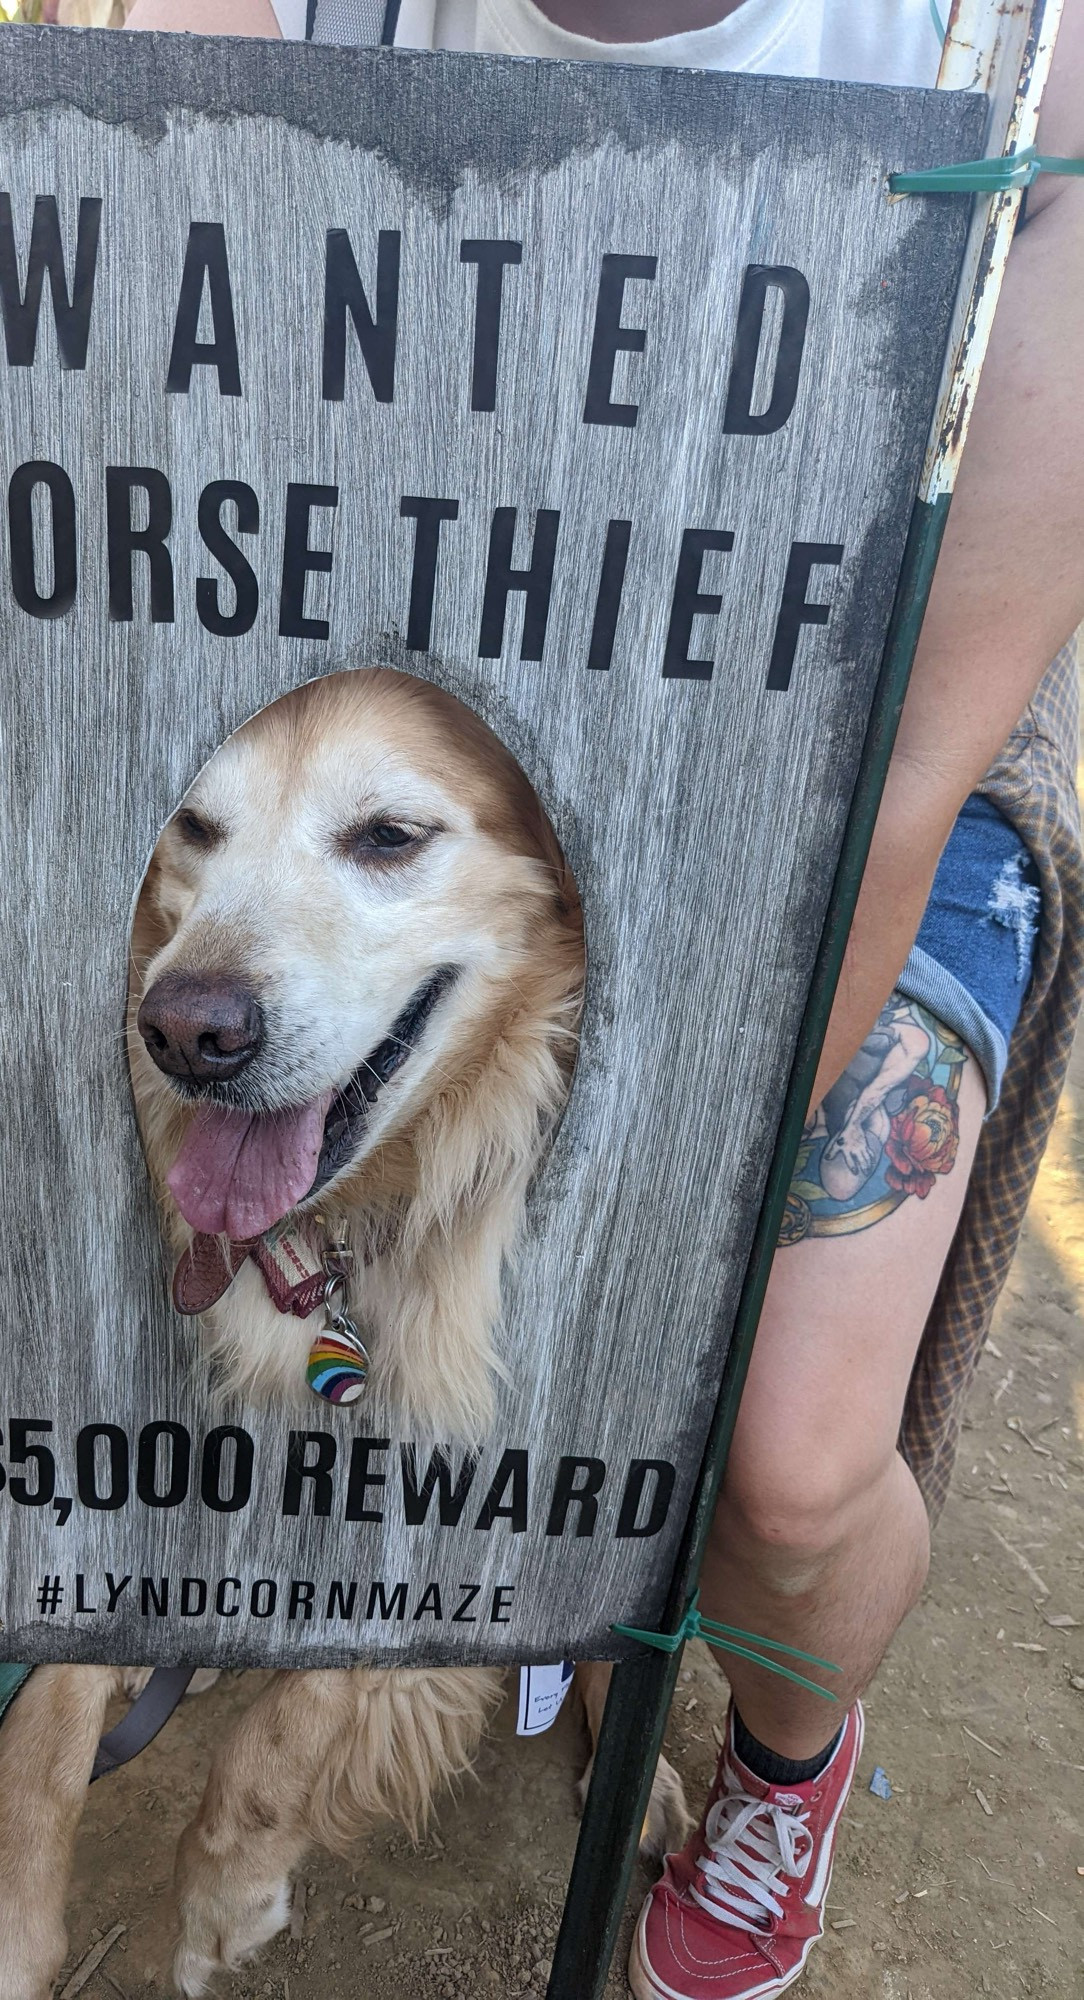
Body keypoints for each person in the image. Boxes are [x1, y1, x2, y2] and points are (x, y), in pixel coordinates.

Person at [126, 0, 1083, 1993]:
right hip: (399, 701)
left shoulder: (1015, 50)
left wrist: (636, 1233)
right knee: (230, 1267)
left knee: (780, 1453)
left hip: (867, 765)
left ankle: (785, 1761)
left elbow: (903, 767)